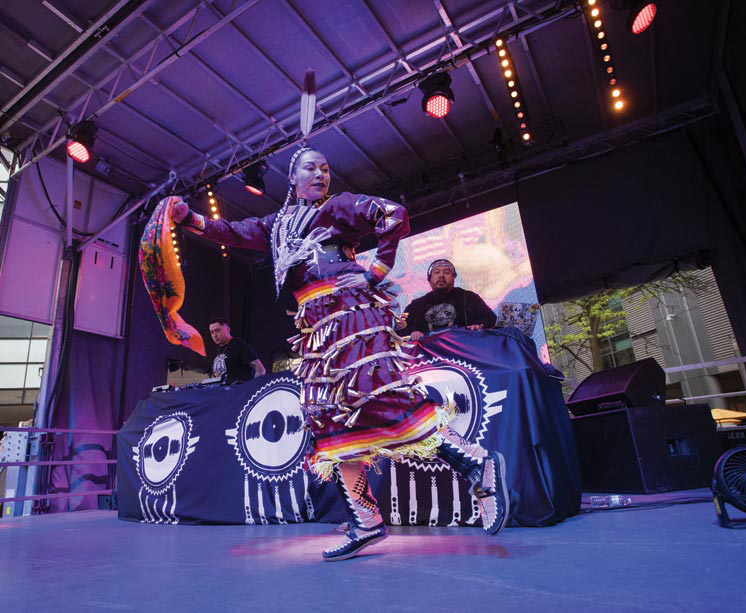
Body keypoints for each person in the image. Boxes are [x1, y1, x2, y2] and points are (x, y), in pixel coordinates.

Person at [171, 147, 509, 561]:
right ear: (292, 179)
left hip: (350, 314)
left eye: (326, 168)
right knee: (329, 422)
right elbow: (232, 232)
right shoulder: (276, 225)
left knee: (384, 400)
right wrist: (188, 219)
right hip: (315, 326)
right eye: (311, 168)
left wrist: (379, 269)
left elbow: (393, 216)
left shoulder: (338, 208)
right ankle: (366, 520)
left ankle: (476, 464)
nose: (320, 175)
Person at [403, 259, 497, 341]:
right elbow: (399, 330)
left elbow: (491, 320)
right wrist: (413, 332)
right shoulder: (415, 306)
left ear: (453, 278)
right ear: (429, 279)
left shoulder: (469, 297)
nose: (441, 276)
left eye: (447, 272)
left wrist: (479, 326)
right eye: (436, 272)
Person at [208, 317, 266, 383]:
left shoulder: (237, 344)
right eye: (212, 332)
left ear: (227, 329)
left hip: (240, 391)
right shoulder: (217, 351)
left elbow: (260, 369)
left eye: (217, 331)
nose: (214, 335)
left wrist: (254, 387)